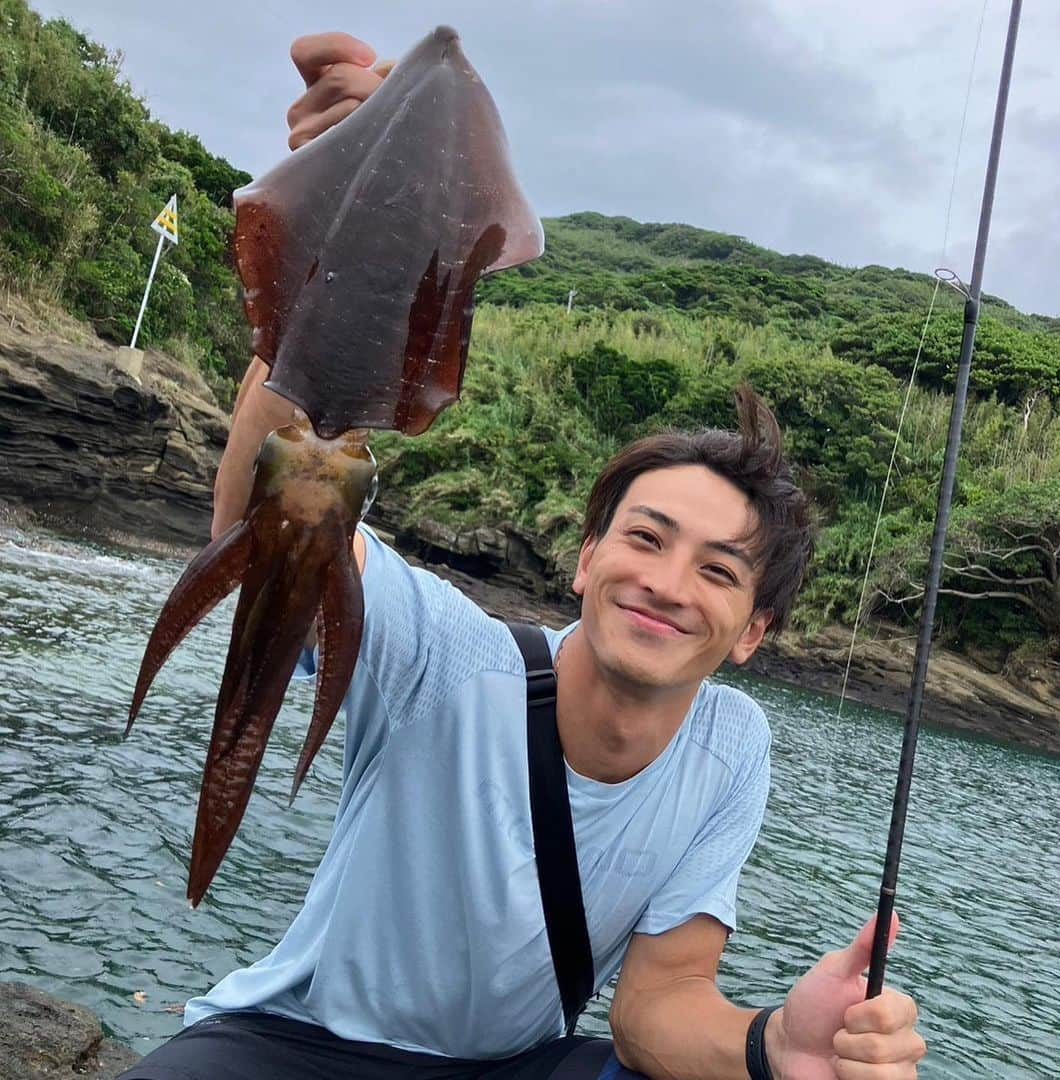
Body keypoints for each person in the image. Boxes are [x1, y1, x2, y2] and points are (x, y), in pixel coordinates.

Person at [120, 32, 926, 1080]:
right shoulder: (443, 655)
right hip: (309, 1041)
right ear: (585, 560)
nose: (669, 584)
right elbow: (265, 517)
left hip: (521, 1065)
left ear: (754, 633)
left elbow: (658, 1014)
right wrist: (341, 236)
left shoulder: (731, 749)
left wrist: (778, 1045)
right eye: (645, 538)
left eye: (721, 572)